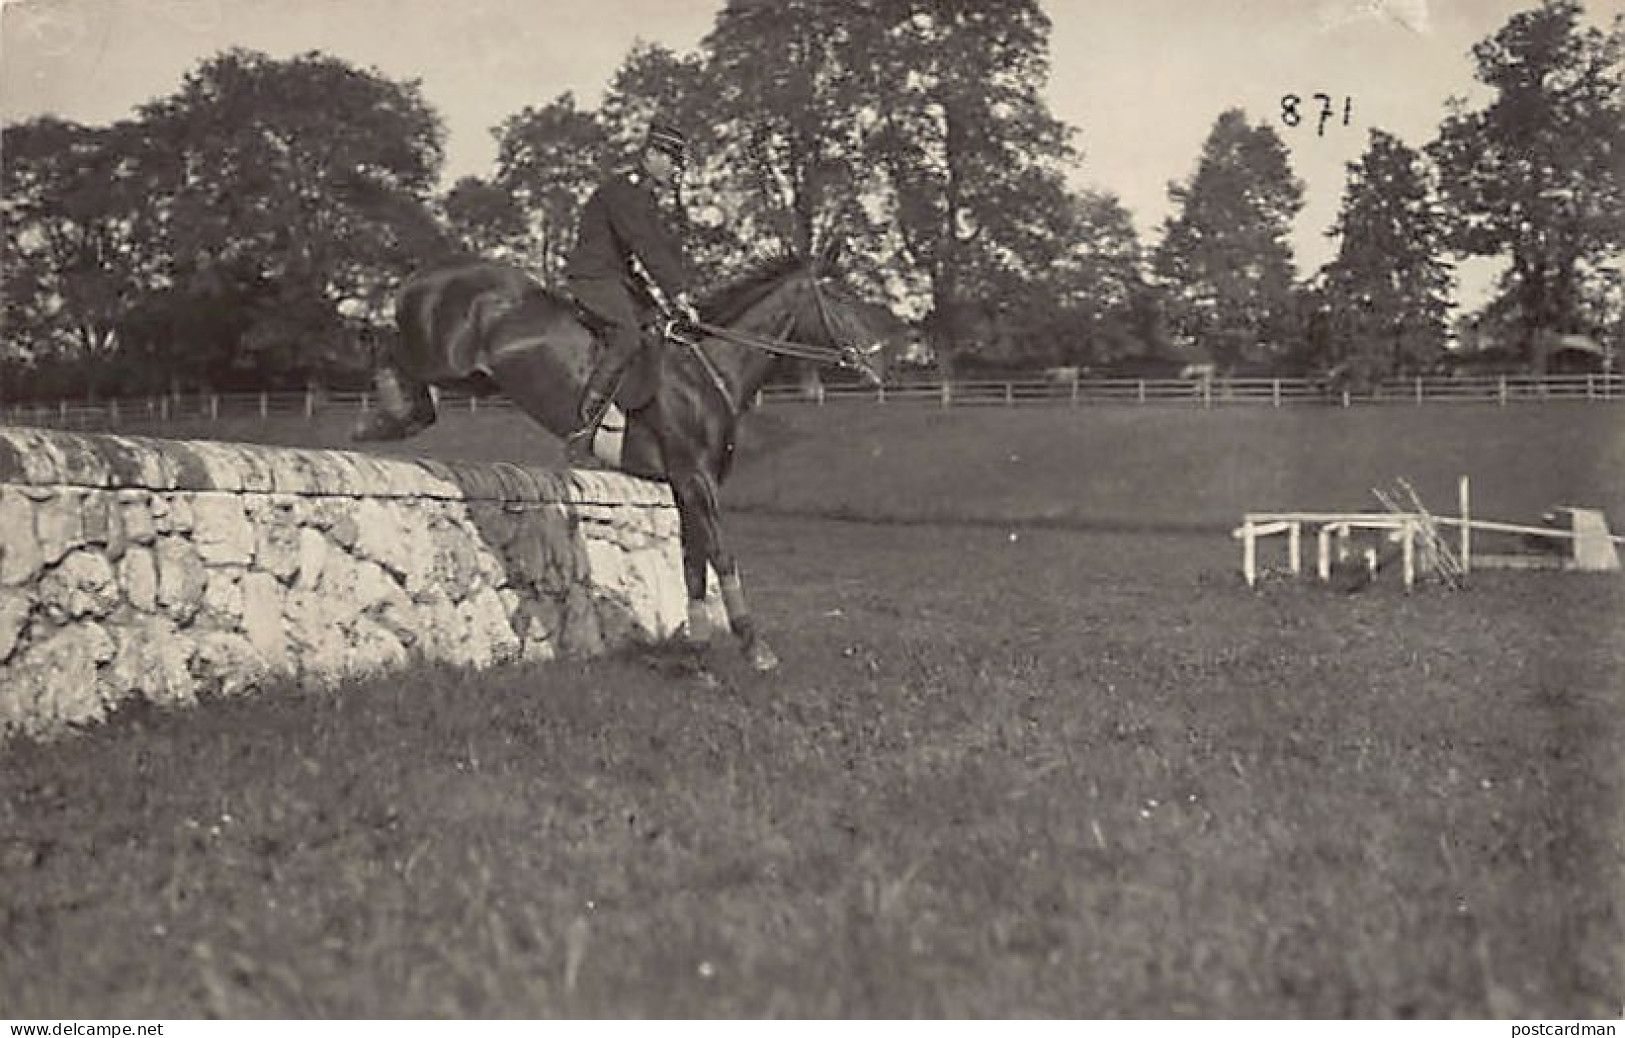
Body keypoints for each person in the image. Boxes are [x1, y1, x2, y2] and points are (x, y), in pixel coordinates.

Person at [564, 120, 700, 459]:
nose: (675, 169)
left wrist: (674, 300)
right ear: (651, 154)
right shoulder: (624, 192)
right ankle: (584, 423)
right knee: (627, 335)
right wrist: (678, 294)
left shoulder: (645, 197)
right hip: (593, 277)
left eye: (678, 162)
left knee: (659, 328)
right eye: (671, 159)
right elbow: (646, 246)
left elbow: (662, 248)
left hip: (618, 278)